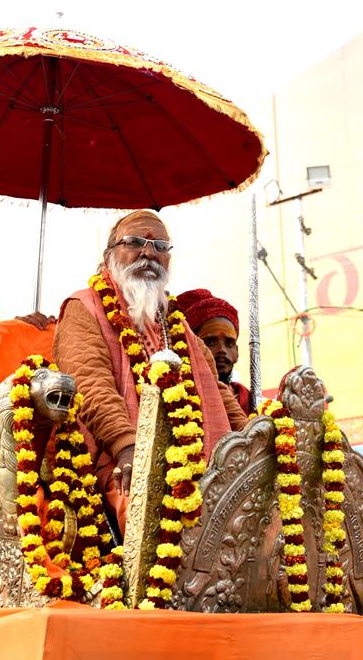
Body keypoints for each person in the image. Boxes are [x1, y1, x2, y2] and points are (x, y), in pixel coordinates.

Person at [52, 210, 247, 536]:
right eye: (135, 242)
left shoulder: (176, 321)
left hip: (203, 464)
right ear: (109, 254)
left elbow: (218, 392)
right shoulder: (83, 306)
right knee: (158, 532)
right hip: (120, 465)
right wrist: (129, 448)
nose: (148, 252)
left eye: (159, 245)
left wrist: (254, 440)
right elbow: (89, 384)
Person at [177, 288, 254, 414]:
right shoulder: (179, 398)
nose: (222, 350)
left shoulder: (248, 399)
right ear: (191, 347)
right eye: (210, 342)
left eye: (229, 343)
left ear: (237, 352)